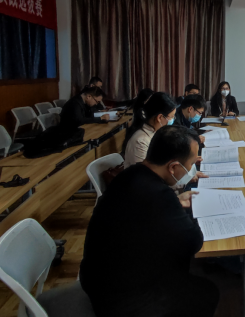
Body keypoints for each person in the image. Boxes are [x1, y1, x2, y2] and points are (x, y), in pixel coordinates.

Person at [80, 127, 220, 317]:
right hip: (124, 300)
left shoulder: (131, 175)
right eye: (191, 164)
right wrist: (185, 208)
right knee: (207, 292)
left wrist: (174, 203)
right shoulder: (158, 194)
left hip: (97, 278)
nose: (192, 170)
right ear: (173, 167)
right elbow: (193, 242)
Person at [124, 93, 177, 169]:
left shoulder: (157, 132)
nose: (173, 120)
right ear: (160, 117)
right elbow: (145, 173)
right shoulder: (140, 142)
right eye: (171, 117)